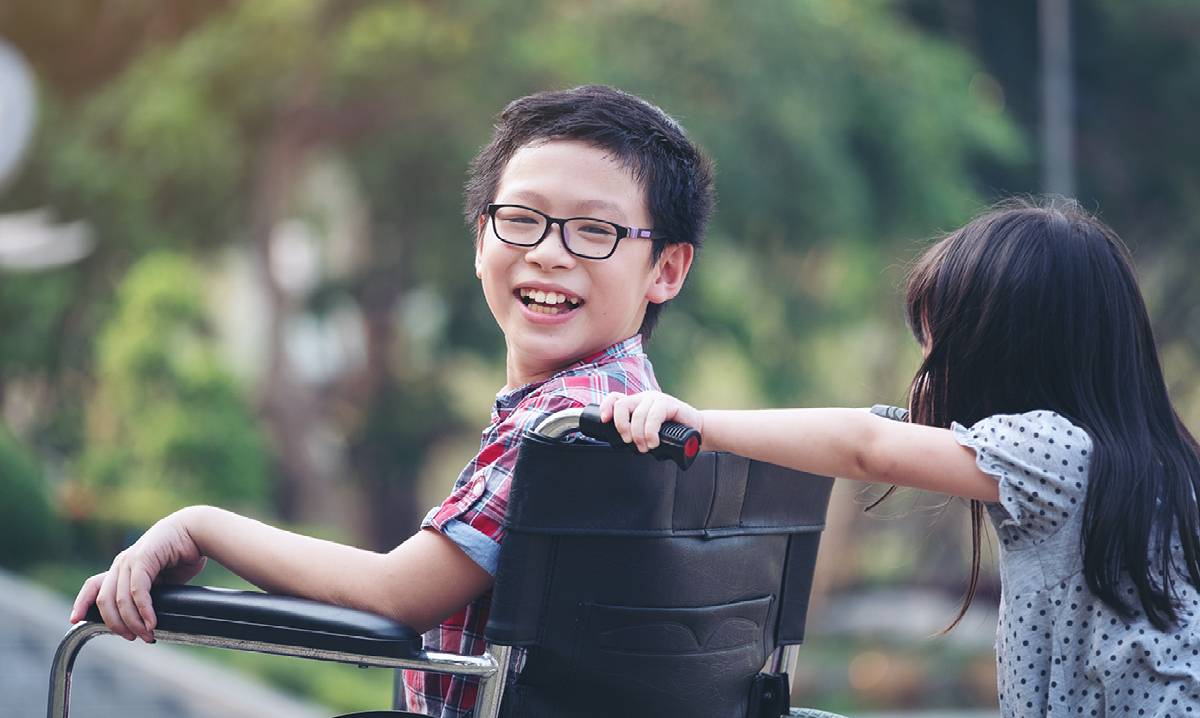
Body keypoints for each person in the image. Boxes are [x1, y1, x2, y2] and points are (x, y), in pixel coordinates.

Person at [71, 84, 716, 718]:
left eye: (594, 230)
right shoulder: (638, 404)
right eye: (521, 219)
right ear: (480, 243)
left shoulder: (573, 424)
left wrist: (198, 525)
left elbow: (395, 595)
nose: (548, 253)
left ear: (667, 268)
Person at [602, 198, 1200, 717]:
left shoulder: (1059, 452)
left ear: (1008, 350)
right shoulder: (1139, 461)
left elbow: (870, 447)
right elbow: (878, 431)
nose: (929, 364)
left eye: (937, 339)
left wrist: (701, 426)